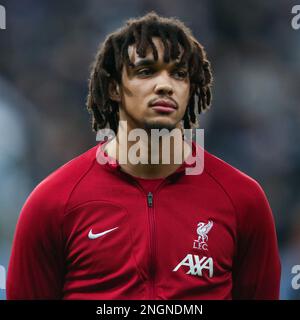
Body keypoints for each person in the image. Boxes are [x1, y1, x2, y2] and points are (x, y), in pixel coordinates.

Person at [6, 11, 281, 300]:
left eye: (179, 73)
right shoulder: (52, 203)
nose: (165, 85)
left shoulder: (243, 199)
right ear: (113, 87)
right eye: (146, 71)